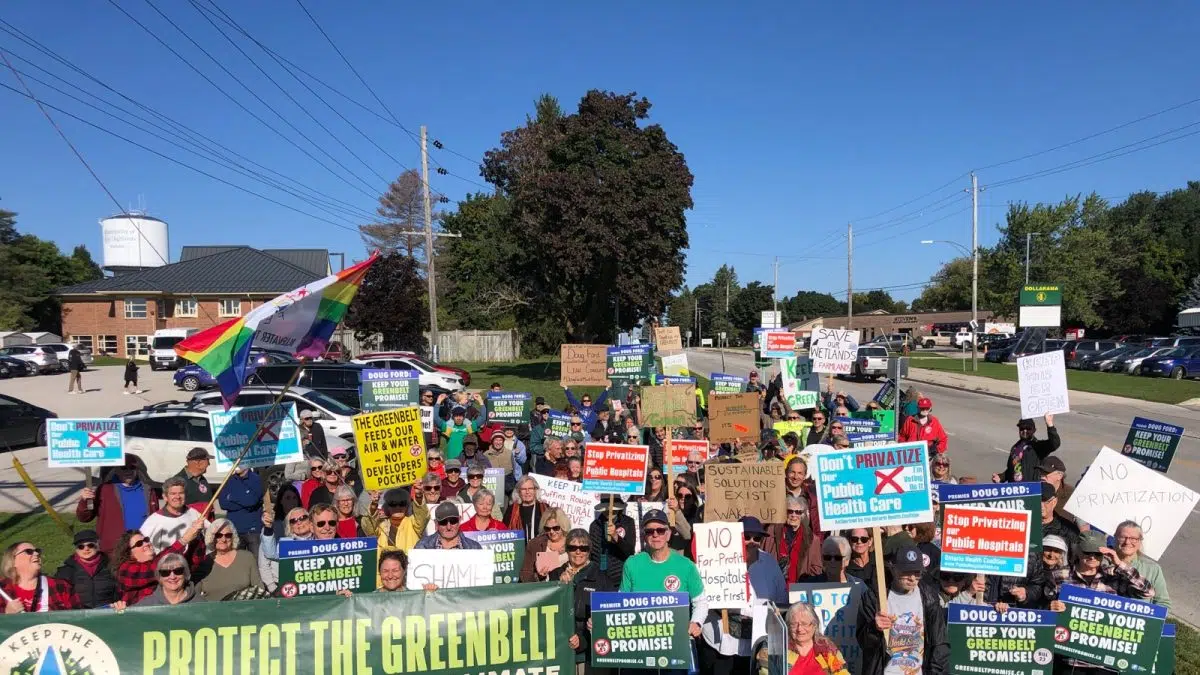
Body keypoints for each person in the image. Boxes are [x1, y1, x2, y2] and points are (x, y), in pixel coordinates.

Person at [620, 509, 706, 675]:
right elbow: (621, 602)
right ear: (644, 536)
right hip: (640, 648)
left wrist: (696, 622)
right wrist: (601, 620)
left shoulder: (686, 565)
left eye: (660, 530)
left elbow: (700, 601)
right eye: (650, 531)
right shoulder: (632, 563)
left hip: (675, 647)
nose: (655, 535)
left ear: (668, 534)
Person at [701, 516, 788, 675]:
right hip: (722, 637)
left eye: (757, 538)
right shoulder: (716, 559)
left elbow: (781, 597)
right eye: (746, 537)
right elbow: (703, 595)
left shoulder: (769, 563)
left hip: (756, 640)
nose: (752, 541)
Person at [857, 544, 949, 675]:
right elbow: (863, 643)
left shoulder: (929, 598)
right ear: (893, 569)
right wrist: (874, 629)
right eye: (906, 572)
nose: (912, 578)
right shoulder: (874, 597)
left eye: (917, 573)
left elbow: (939, 645)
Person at [552, 528, 614, 675]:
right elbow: (545, 608)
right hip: (560, 648)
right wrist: (559, 587)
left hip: (589, 652)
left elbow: (610, 616)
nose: (578, 552)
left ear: (589, 551)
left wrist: (583, 639)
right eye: (573, 548)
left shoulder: (601, 578)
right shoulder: (555, 574)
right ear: (567, 550)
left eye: (583, 548)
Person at [76, 454, 161, 554]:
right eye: (123, 468)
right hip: (115, 550)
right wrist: (85, 501)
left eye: (132, 467)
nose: (128, 471)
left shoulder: (149, 490)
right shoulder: (105, 489)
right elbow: (84, 518)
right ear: (116, 470)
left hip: (143, 547)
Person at [113, 519, 204, 604]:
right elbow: (156, 568)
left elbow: (191, 562)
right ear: (129, 553)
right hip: (140, 618)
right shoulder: (125, 570)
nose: (147, 543)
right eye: (139, 543)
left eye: (146, 540)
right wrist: (184, 540)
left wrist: (196, 536)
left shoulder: (159, 560)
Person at [2, 542, 82, 613]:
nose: (36, 554)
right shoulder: (3, 589)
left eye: (37, 551)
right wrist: (7, 614)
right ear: (13, 561)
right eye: (29, 552)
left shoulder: (61, 586)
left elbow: (79, 619)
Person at [193, 518, 261, 601]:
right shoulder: (204, 562)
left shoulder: (247, 557)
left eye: (228, 535)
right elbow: (194, 594)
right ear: (211, 537)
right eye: (218, 535)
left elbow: (259, 588)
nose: (223, 539)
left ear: (233, 537)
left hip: (243, 610)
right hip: (213, 611)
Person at [140, 477, 205, 562]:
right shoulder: (153, 521)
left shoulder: (193, 513)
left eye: (181, 493)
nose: (177, 497)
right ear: (165, 497)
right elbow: (142, 549)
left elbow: (210, 534)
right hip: (166, 570)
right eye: (173, 493)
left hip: (192, 567)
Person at [54, 529, 118, 609]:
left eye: (90, 545)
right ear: (76, 549)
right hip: (78, 616)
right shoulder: (65, 571)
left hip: (108, 613)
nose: (86, 549)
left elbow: (120, 592)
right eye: (81, 546)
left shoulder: (112, 566)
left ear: (98, 545)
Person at [1111, 520, 1169, 608]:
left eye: (1133, 538)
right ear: (1115, 537)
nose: (1127, 542)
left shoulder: (1152, 569)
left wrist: (1150, 620)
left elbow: (1163, 603)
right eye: (1122, 537)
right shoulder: (1103, 562)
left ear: (1140, 541)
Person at [766, 495, 822, 584]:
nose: (793, 515)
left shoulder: (812, 539)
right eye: (790, 511)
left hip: (799, 589)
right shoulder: (771, 532)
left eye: (798, 512)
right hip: (772, 586)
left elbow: (816, 569)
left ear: (803, 515)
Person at [258, 506, 315, 592]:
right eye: (293, 521)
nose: (298, 522)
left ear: (310, 521)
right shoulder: (286, 543)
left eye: (303, 518)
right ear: (290, 526)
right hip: (290, 588)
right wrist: (268, 528)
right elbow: (270, 552)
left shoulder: (319, 539)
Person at [362, 487, 429, 557]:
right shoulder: (380, 525)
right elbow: (368, 528)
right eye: (393, 504)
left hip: (408, 566)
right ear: (387, 507)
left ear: (407, 506)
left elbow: (422, 515)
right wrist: (373, 505)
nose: (398, 507)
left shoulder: (413, 523)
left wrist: (419, 496)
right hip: (384, 566)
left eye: (402, 504)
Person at [786, 602, 851, 675]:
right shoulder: (783, 650)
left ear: (814, 625)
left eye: (804, 624)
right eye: (794, 624)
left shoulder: (826, 648)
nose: (799, 629)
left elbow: (842, 672)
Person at [994, 414, 1059, 484]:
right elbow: (1012, 469)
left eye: (1028, 428)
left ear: (1034, 430)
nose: (1025, 431)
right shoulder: (1015, 448)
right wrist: (1001, 477)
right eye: (1022, 428)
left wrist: (1050, 424)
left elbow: (1055, 443)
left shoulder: (1038, 446)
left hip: (1031, 490)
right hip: (1016, 491)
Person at [589, 496, 637, 588]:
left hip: (620, 578)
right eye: (606, 509)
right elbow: (592, 554)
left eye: (614, 509)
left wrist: (616, 537)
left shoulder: (627, 522)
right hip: (599, 578)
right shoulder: (595, 525)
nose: (610, 512)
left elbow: (630, 551)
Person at [218, 465, 264, 555]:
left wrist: (231, 496)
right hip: (234, 530)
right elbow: (223, 503)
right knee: (237, 564)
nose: (236, 465)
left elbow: (252, 501)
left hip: (253, 531)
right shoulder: (229, 479)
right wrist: (245, 499)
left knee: (256, 563)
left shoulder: (256, 479)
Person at [137, 553, 206, 606]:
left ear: (185, 573)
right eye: (165, 572)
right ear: (159, 577)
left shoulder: (200, 604)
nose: (172, 577)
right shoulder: (146, 605)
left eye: (178, 571)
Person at [415, 502, 485, 550]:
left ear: (459, 520)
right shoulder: (422, 546)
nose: (449, 527)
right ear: (436, 523)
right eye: (443, 522)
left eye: (453, 521)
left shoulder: (474, 548)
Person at [1039, 482, 1080, 559]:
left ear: (1054, 502)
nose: (1041, 505)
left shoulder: (1069, 530)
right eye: (1037, 500)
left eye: (1046, 501)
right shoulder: (1022, 525)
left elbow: (1075, 559)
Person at [173, 447, 214, 513]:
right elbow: (174, 509)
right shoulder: (177, 482)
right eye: (207, 460)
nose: (209, 464)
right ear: (198, 462)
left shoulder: (202, 479)